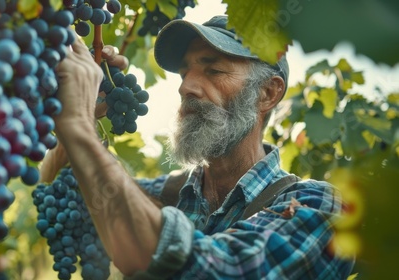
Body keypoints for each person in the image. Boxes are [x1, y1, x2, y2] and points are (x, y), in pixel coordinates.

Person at [41, 15, 355, 279]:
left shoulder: (320, 207)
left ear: (268, 94)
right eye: (183, 73)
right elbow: (64, 191)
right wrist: (82, 111)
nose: (185, 86)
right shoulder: (165, 193)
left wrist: (77, 124)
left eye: (213, 70)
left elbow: (223, 269)